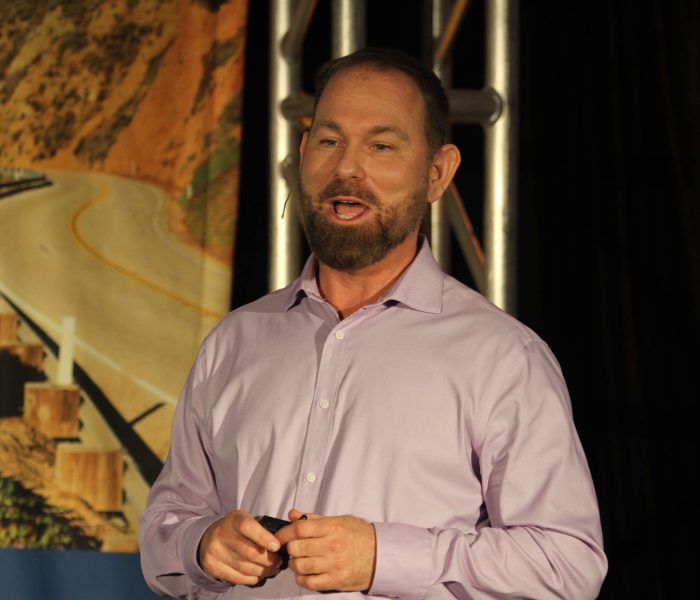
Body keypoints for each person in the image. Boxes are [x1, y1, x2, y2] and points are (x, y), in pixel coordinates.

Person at [140, 47, 607, 599]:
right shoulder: (235, 341)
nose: (346, 170)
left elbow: (566, 566)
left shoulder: (502, 357)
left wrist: (383, 556)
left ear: (437, 173)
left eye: (381, 146)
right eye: (329, 141)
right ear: (302, 154)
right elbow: (164, 525)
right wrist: (200, 544)